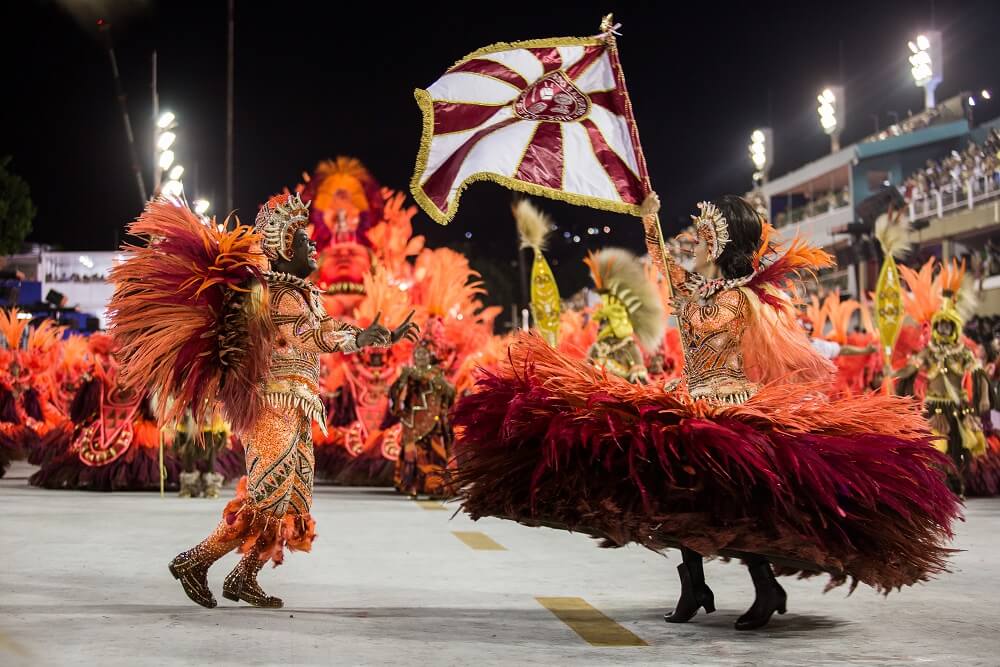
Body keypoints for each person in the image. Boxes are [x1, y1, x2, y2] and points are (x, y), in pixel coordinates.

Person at [452, 192, 959, 631]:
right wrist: (649, 217)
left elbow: (748, 338)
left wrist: (684, 284)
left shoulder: (740, 301)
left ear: (721, 244)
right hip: (690, 400)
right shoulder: (697, 290)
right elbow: (667, 267)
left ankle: (764, 587)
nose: (692, 240)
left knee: (731, 504)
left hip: (731, 407)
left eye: (703, 233)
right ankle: (693, 585)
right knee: (676, 496)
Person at [109, 194, 418, 609]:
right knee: (268, 495)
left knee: (293, 498)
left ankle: (242, 577)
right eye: (304, 241)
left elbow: (323, 327)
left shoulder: (301, 293)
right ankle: (194, 562)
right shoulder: (275, 296)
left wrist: (374, 336)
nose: (313, 247)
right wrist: (359, 338)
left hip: (296, 408)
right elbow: (311, 336)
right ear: (285, 247)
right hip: (271, 408)